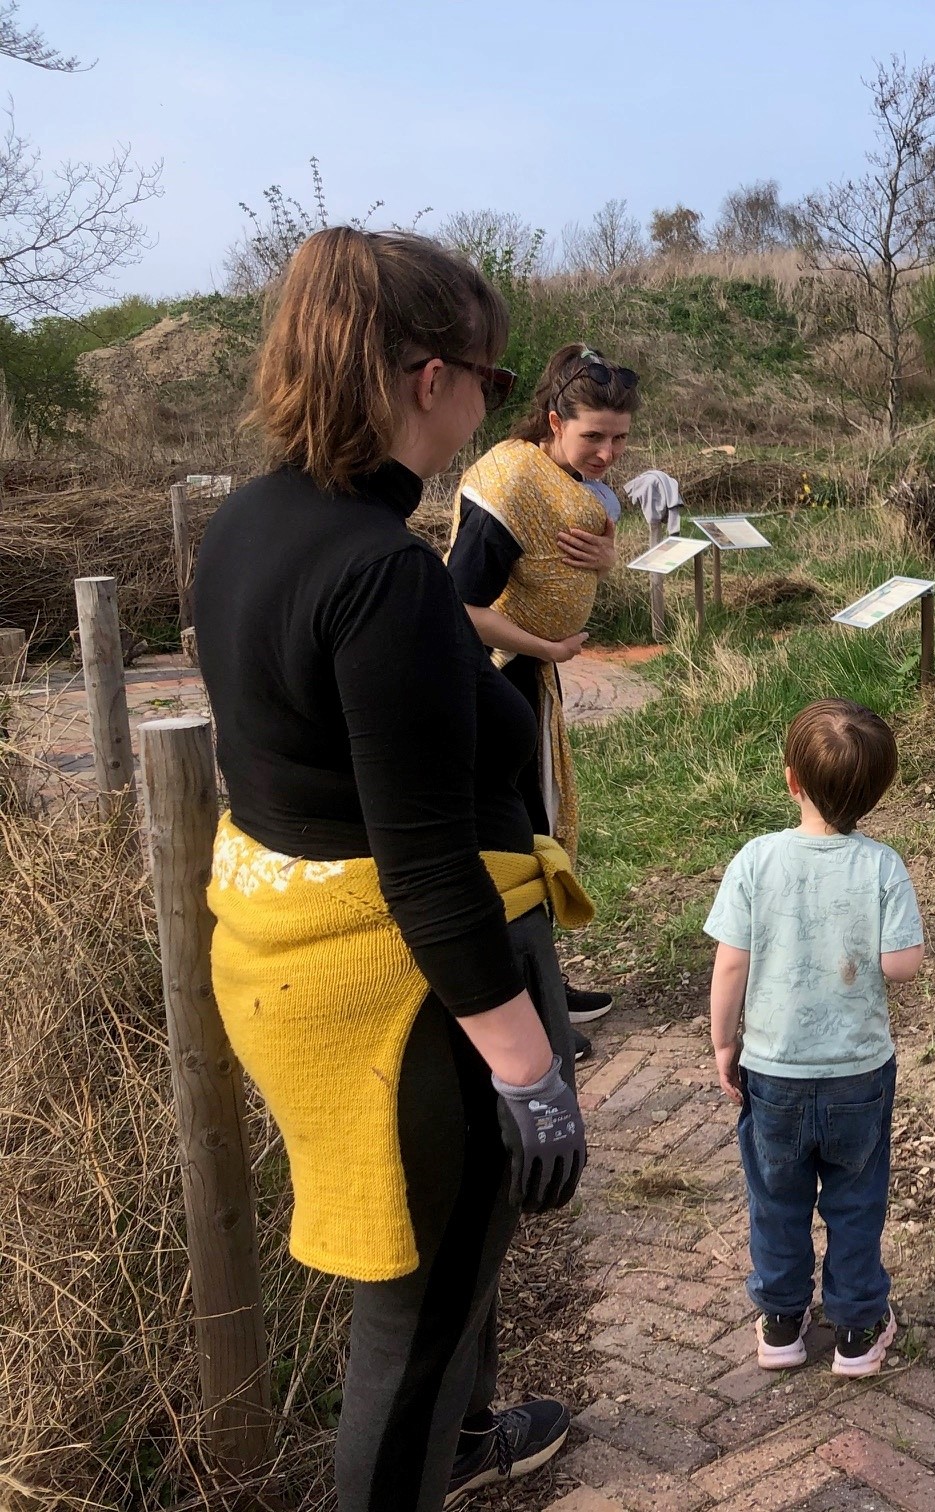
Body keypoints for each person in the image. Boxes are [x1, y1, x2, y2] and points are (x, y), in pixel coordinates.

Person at [192, 228, 589, 1509]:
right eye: (488, 371)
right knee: (404, 1345)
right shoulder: (378, 576)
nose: (491, 400)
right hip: (403, 1006)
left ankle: (472, 1449)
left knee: (423, 1304)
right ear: (429, 378)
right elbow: (423, 868)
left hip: (285, 960)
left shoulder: (255, 523)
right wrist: (530, 1072)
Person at [704, 700, 924, 1379]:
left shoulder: (756, 859)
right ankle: (857, 1329)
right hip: (859, 1069)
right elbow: (901, 966)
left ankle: (781, 1321)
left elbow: (731, 964)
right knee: (857, 1199)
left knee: (777, 1198)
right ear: (878, 791)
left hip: (772, 1068)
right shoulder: (883, 866)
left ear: (791, 779)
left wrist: (722, 1044)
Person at [447, 344, 637, 1043]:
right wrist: (550, 647)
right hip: (489, 678)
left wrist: (608, 559)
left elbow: (565, 560)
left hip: (527, 680)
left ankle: (542, 984)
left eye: (620, 438)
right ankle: (527, 1012)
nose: (608, 453)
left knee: (535, 832)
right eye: (594, 436)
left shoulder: (563, 483)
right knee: (509, 842)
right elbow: (458, 603)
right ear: (553, 421)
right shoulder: (513, 485)